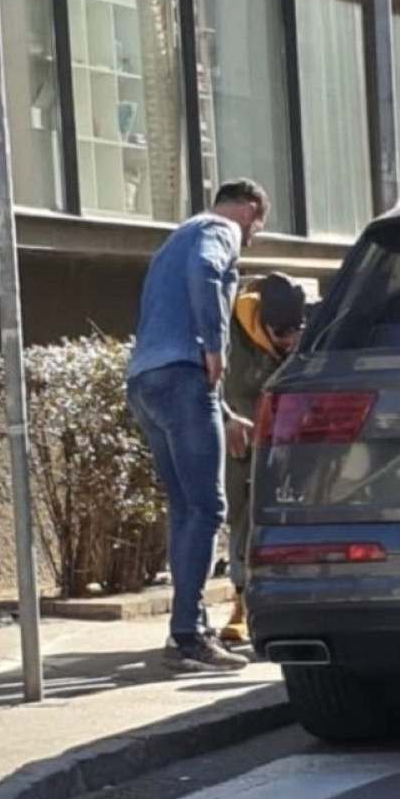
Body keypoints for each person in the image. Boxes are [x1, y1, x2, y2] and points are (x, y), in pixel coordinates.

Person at [126, 178, 269, 673]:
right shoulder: (218, 229)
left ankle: (186, 630)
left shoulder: (174, 240)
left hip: (147, 382)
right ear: (248, 210)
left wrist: (222, 411)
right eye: (257, 226)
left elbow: (165, 318)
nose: (251, 237)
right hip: (184, 379)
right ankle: (188, 635)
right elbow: (207, 272)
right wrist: (215, 345)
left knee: (186, 508)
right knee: (208, 509)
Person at [219, 273, 307, 645]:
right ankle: (241, 604)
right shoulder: (230, 333)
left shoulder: (302, 339)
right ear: (262, 323)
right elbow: (209, 379)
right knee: (242, 516)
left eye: (296, 332)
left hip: (289, 443)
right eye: (281, 333)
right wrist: (226, 418)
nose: (289, 341)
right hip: (240, 441)